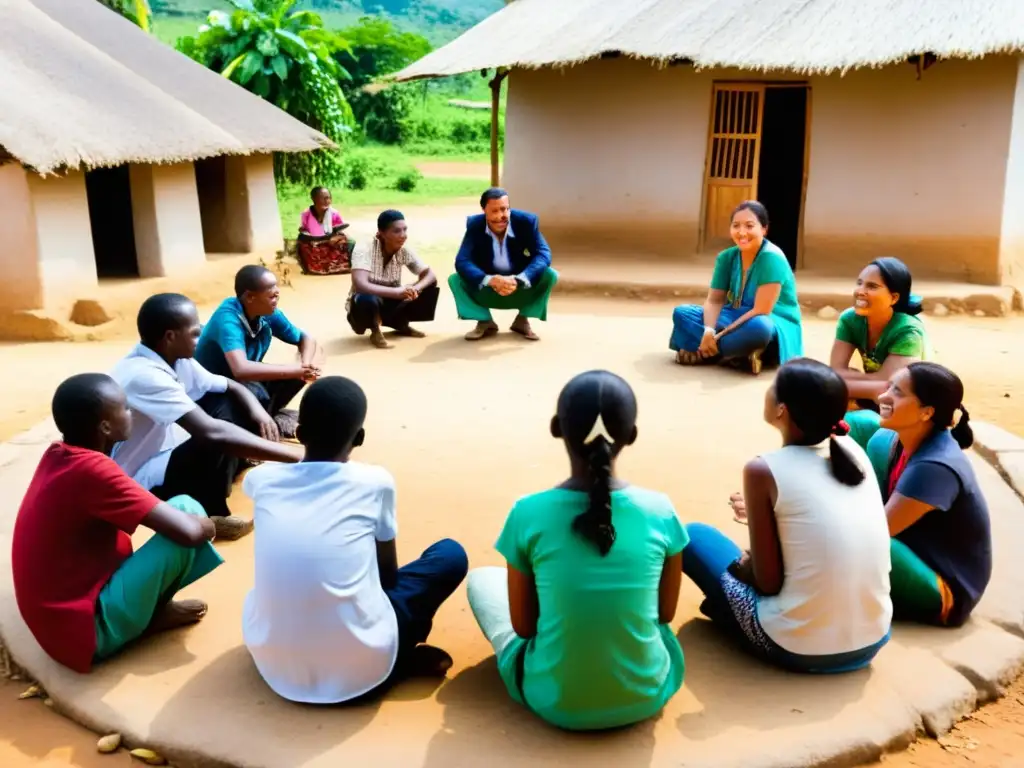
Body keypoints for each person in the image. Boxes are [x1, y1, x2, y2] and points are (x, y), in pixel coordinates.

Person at [466, 370, 687, 730]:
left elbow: (523, 627)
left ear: (556, 428)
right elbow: (664, 615)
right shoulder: (660, 510)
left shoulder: (528, 512)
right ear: (631, 436)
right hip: (645, 696)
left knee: (481, 580)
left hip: (553, 701)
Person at [242, 376, 468, 704]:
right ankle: (394, 663)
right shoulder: (375, 482)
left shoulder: (261, 480)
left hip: (273, 663)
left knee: (279, 586)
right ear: (359, 437)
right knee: (450, 554)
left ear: (299, 433)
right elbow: (388, 577)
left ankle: (364, 651)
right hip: (361, 671)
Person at [684, 359, 892, 673]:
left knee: (693, 537)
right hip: (873, 638)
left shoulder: (762, 469)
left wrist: (746, 559)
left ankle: (732, 617)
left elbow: (767, 583)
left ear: (782, 410)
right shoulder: (853, 450)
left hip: (796, 647)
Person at [11, 373, 223, 673]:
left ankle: (149, 612)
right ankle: (141, 622)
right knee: (187, 510)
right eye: (124, 408)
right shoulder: (93, 470)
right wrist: (210, 526)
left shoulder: (61, 454)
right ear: (105, 426)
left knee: (179, 514)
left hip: (59, 624)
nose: (131, 412)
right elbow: (188, 533)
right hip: (85, 633)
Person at [110, 293, 304, 541]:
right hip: (139, 480)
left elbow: (226, 385)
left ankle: (229, 473)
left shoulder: (173, 357)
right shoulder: (144, 375)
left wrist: (259, 414)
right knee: (215, 434)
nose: (200, 336)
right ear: (170, 337)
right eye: (194, 332)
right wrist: (298, 457)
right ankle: (211, 512)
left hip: (162, 454)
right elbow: (212, 432)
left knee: (235, 401)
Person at [866, 363, 992, 626]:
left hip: (944, 587)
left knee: (859, 542)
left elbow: (878, 531)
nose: (883, 396)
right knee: (866, 430)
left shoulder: (935, 467)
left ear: (926, 413)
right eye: (888, 386)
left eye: (898, 393)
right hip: (913, 548)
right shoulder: (898, 439)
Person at [669, 201, 803, 375]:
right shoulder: (726, 257)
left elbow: (760, 310)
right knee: (682, 313)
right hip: (734, 315)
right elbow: (715, 299)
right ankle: (738, 354)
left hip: (770, 321)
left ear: (764, 229)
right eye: (736, 226)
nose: (742, 232)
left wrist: (717, 336)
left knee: (758, 329)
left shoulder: (772, 257)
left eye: (749, 226)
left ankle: (704, 351)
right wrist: (708, 331)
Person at [195, 265, 324, 439]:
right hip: (213, 386)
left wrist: (305, 365)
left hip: (243, 380)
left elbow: (304, 337)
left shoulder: (266, 312)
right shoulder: (228, 320)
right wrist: (297, 370)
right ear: (250, 297)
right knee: (255, 395)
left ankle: (268, 417)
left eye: (276, 290)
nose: (277, 295)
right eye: (271, 294)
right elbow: (240, 370)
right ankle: (257, 427)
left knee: (295, 376)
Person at [830, 257, 929, 449]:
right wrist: (868, 385)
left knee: (840, 419)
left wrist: (834, 384)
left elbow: (889, 386)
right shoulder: (850, 319)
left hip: (910, 408)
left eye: (872, 286)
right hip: (878, 401)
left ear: (894, 298)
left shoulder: (908, 331)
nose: (860, 291)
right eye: (859, 283)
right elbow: (835, 371)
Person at [449, 187, 558, 342]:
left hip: (519, 282)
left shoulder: (526, 222)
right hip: (489, 283)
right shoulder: (475, 225)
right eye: (494, 211)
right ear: (484, 210)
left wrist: (519, 278)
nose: (501, 216)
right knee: (456, 279)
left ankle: (522, 320)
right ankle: (485, 321)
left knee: (550, 275)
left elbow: (543, 253)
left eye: (505, 209)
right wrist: (490, 279)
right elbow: (462, 260)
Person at [347, 210, 440, 349]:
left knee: (429, 286)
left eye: (404, 230)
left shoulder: (404, 250)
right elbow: (360, 285)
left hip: (390, 302)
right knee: (366, 298)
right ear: (381, 233)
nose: (403, 235)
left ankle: (401, 324)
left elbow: (430, 276)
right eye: (396, 231)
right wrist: (397, 293)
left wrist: (414, 289)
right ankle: (375, 330)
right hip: (364, 305)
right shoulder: (364, 248)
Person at [297, 186, 353, 275]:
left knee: (348, 241)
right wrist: (307, 236)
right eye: (323, 198)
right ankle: (311, 268)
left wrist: (336, 237)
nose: (327, 201)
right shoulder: (306, 214)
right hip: (313, 243)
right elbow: (304, 230)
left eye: (329, 198)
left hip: (331, 241)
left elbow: (340, 230)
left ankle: (339, 267)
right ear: (314, 199)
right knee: (301, 243)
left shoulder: (334, 213)